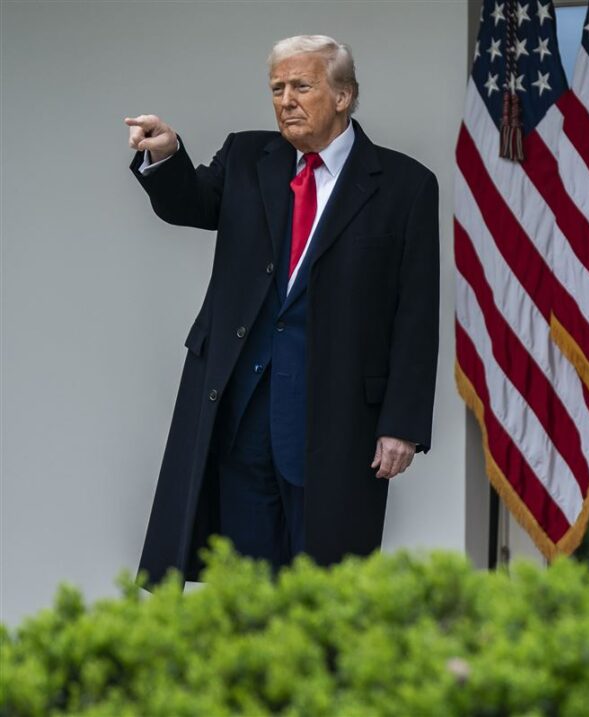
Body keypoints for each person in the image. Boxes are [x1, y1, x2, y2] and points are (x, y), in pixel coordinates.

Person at [125, 35, 439, 585]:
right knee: (246, 585)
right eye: (277, 88)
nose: (286, 100)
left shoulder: (405, 185)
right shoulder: (248, 158)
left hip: (338, 419)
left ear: (343, 95)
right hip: (242, 410)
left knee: (329, 585)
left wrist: (403, 426)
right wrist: (167, 155)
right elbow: (190, 203)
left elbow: (415, 315)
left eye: (301, 86)